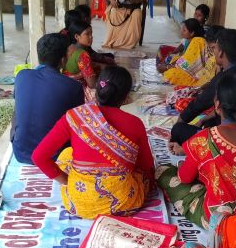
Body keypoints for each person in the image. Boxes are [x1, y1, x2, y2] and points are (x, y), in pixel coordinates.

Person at [32, 66, 155, 219]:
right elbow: (146, 165)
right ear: (126, 97)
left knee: (66, 154)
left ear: (97, 89)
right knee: (138, 169)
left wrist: (66, 181)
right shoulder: (135, 123)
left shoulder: (74, 116)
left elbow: (38, 157)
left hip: (79, 202)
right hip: (123, 204)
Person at [157, 68, 236, 228]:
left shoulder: (204, 139)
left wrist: (186, 163)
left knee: (164, 171)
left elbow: (185, 178)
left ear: (217, 105)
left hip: (222, 219)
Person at [170, 29, 236, 146]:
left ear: (221, 52)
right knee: (208, 120)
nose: (213, 52)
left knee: (179, 130)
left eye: (215, 48)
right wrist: (203, 119)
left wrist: (178, 124)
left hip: (228, 141)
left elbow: (198, 105)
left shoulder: (224, 79)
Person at [11, 33, 84, 164]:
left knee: (19, 108)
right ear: (63, 60)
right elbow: (77, 125)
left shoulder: (21, 76)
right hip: (54, 157)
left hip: (20, 152)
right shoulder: (73, 86)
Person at [164, 25, 225, 113]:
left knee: (180, 105)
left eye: (213, 48)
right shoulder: (213, 59)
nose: (212, 51)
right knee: (177, 92)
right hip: (200, 86)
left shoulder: (219, 64)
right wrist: (198, 88)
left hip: (208, 96)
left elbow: (213, 86)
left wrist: (200, 91)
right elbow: (207, 78)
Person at [157, 18, 208, 87]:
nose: (181, 32)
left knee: (171, 74)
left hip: (193, 74)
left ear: (192, 33)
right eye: (182, 29)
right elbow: (186, 58)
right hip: (185, 67)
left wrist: (168, 67)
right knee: (171, 59)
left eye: (184, 30)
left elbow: (190, 65)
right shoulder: (190, 40)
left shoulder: (197, 41)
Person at [63, 20, 99, 91]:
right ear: (77, 36)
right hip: (76, 90)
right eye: (87, 34)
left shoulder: (69, 47)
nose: (91, 37)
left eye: (91, 34)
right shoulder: (83, 55)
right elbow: (92, 85)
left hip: (65, 85)